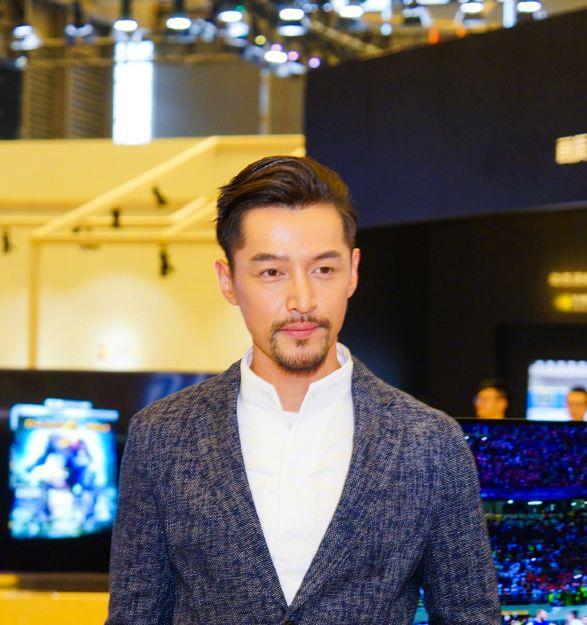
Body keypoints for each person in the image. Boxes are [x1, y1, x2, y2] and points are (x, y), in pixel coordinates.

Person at [105, 156, 501, 625]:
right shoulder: (163, 436)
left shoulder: (430, 442)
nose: (303, 301)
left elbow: (471, 614)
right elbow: (135, 613)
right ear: (228, 281)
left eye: (324, 269)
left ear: (353, 272)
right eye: (271, 272)